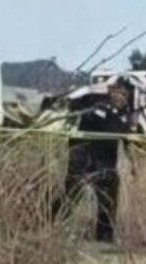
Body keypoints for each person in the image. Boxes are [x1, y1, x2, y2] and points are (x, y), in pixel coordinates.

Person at [51, 79, 132, 243]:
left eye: (125, 95)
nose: (121, 97)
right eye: (118, 93)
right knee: (72, 194)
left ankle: (104, 237)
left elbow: (127, 141)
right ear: (111, 92)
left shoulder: (125, 117)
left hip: (107, 164)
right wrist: (77, 163)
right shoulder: (96, 109)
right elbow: (80, 131)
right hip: (85, 160)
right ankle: (51, 224)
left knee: (108, 201)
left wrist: (132, 161)